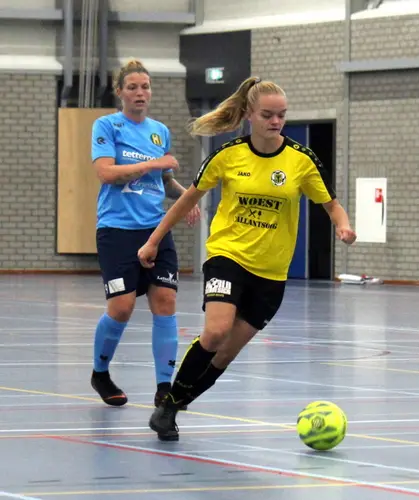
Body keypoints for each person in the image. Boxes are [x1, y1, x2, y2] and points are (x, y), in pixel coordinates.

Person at [136, 76, 356, 441]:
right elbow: (187, 199)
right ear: (249, 114)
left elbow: (332, 204)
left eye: (281, 115)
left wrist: (343, 226)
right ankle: (170, 405)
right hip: (228, 255)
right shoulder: (228, 156)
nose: (276, 121)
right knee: (216, 331)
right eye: (268, 115)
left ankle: (176, 402)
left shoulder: (301, 160)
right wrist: (153, 241)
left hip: (272, 272)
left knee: (226, 353)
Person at [90, 58, 200, 408]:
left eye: (145, 87)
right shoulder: (107, 125)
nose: (140, 93)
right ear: (120, 92)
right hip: (117, 230)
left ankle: (165, 387)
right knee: (121, 307)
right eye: (133, 87)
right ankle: (100, 373)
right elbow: (107, 174)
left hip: (155, 229)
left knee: (165, 301)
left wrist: (186, 197)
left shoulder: (159, 131)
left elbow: (163, 181)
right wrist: (154, 163)